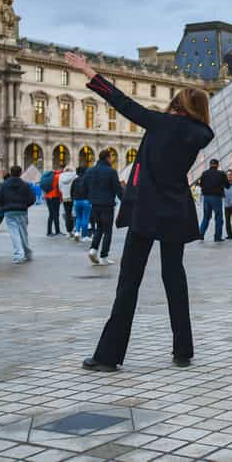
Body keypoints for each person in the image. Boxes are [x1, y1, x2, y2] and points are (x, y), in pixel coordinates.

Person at [66, 51, 213, 372]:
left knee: (129, 282)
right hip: (176, 211)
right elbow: (197, 130)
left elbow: (122, 102)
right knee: (175, 278)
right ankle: (183, 350)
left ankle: (108, 356)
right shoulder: (200, 134)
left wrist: (88, 70)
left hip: (147, 212)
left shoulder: (160, 123)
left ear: (176, 105)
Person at [84, 149, 123, 265]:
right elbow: (118, 190)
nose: (112, 159)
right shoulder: (111, 172)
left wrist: (90, 197)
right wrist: (125, 202)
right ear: (107, 158)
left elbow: (84, 186)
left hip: (94, 204)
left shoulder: (90, 171)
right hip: (107, 205)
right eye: (111, 157)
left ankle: (93, 249)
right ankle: (103, 256)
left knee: (99, 228)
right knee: (108, 231)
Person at [0, 166, 35, 264]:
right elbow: (32, 199)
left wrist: (3, 207)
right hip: (22, 211)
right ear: (20, 173)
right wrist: (25, 205)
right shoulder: (25, 185)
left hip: (9, 212)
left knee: (15, 234)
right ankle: (27, 253)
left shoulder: (4, 185)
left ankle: (19, 255)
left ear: (11, 172)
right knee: (23, 233)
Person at [198, 159, 228, 242]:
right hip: (216, 198)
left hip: (206, 198)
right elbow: (227, 185)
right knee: (218, 218)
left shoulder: (204, 173)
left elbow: (201, 185)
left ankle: (201, 234)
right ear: (217, 165)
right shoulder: (221, 174)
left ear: (209, 165)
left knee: (206, 217)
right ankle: (217, 237)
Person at [71, 166, 91, 241]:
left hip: (76, 201)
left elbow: (71, 191)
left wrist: (73, 199)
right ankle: (84, 236)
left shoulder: (75, 180)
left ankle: (77, 232)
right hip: (86, 200)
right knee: (85, 218)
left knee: (78, 217)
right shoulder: (87, 180)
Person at [59, 166, 77, 238]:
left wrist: (63, 192)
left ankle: (68, 231)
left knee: (67, 214)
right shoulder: (74, 176)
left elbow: (59, 186)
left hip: (65, 197)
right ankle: (74, 229)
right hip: (73, 196)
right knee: (74, 213)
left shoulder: (61, 176)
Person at [44, 168, 62, 236]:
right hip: (55, 197)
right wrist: (61, 198)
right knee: (56, 214)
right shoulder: (57, 176)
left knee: (51, 214)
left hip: (48, 196)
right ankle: (57, 231)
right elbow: (59, 188)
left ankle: (49, 231)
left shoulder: (49, 176)